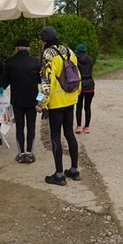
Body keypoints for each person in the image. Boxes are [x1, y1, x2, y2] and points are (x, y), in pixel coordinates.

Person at [36, 26, 81, 186]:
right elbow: (77, 74)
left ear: (44, 40)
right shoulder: (69, 51)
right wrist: (76, 94)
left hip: (56, 101)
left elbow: (46, 81)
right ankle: (74, 170)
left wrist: (40, 102)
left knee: (55, 136)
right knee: (69, 133)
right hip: (70, 98)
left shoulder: (48, 54)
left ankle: (59, 175)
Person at [0, 39, 42, 163]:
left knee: (20, 127)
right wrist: (40, 100)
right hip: (33, 100)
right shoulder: (36, 62)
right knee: (31, 126)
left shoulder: (10, 62)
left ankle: (21, 154)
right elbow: (43, 83)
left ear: (16, 48)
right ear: (28, 48)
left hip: (17, 101)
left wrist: (1, 87)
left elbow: (4, 80)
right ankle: (30, 154)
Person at [74, 44, 95, 134]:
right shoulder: (90, 59)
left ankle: (78, 126)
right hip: (90, 84)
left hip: (80, 84)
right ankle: (87, 127)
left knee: (79, 107)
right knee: (87, 107)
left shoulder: (75, 59)